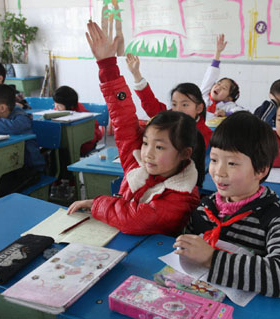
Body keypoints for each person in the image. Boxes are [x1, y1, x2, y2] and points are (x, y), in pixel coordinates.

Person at [67, 21, 206, 236]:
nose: (147, 153)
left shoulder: (182, 195)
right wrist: (107, 65)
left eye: (159, 148)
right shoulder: (139, 161)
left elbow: (136, 220)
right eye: (146, 143)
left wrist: (97, 203)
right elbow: (123, 118)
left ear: (185, 154)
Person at [174, 111, 280, 298]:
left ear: (261, 169)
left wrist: (211, 258)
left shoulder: (276, 218)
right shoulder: (204, 209)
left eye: (232, 163)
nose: (219, 172)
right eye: (215, 160)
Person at [126, 54, 212, 149]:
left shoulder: (204, 133)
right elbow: (150, 103)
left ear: (199, 108)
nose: (178, 109)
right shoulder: (169, 117)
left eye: (185, 104)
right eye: (174, 104)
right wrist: (136, 74)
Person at [201, 34, 246, 117]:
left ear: (229, 98)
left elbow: (243, 112)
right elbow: (211, 75)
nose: (218, 87)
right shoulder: (204, 96)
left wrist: (226, 113)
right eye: (218, 84)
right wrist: (218, 52)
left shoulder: (228, 106)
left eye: (224, 88)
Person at [52, 85, 102, 155]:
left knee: (61, 152)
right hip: (69, 142)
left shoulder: (82, 113)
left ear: (70, 105)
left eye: (59, 105)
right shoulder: (58, 110)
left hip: (85, 144)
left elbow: (94, 134)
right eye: (55, 103)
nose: (56, 107)